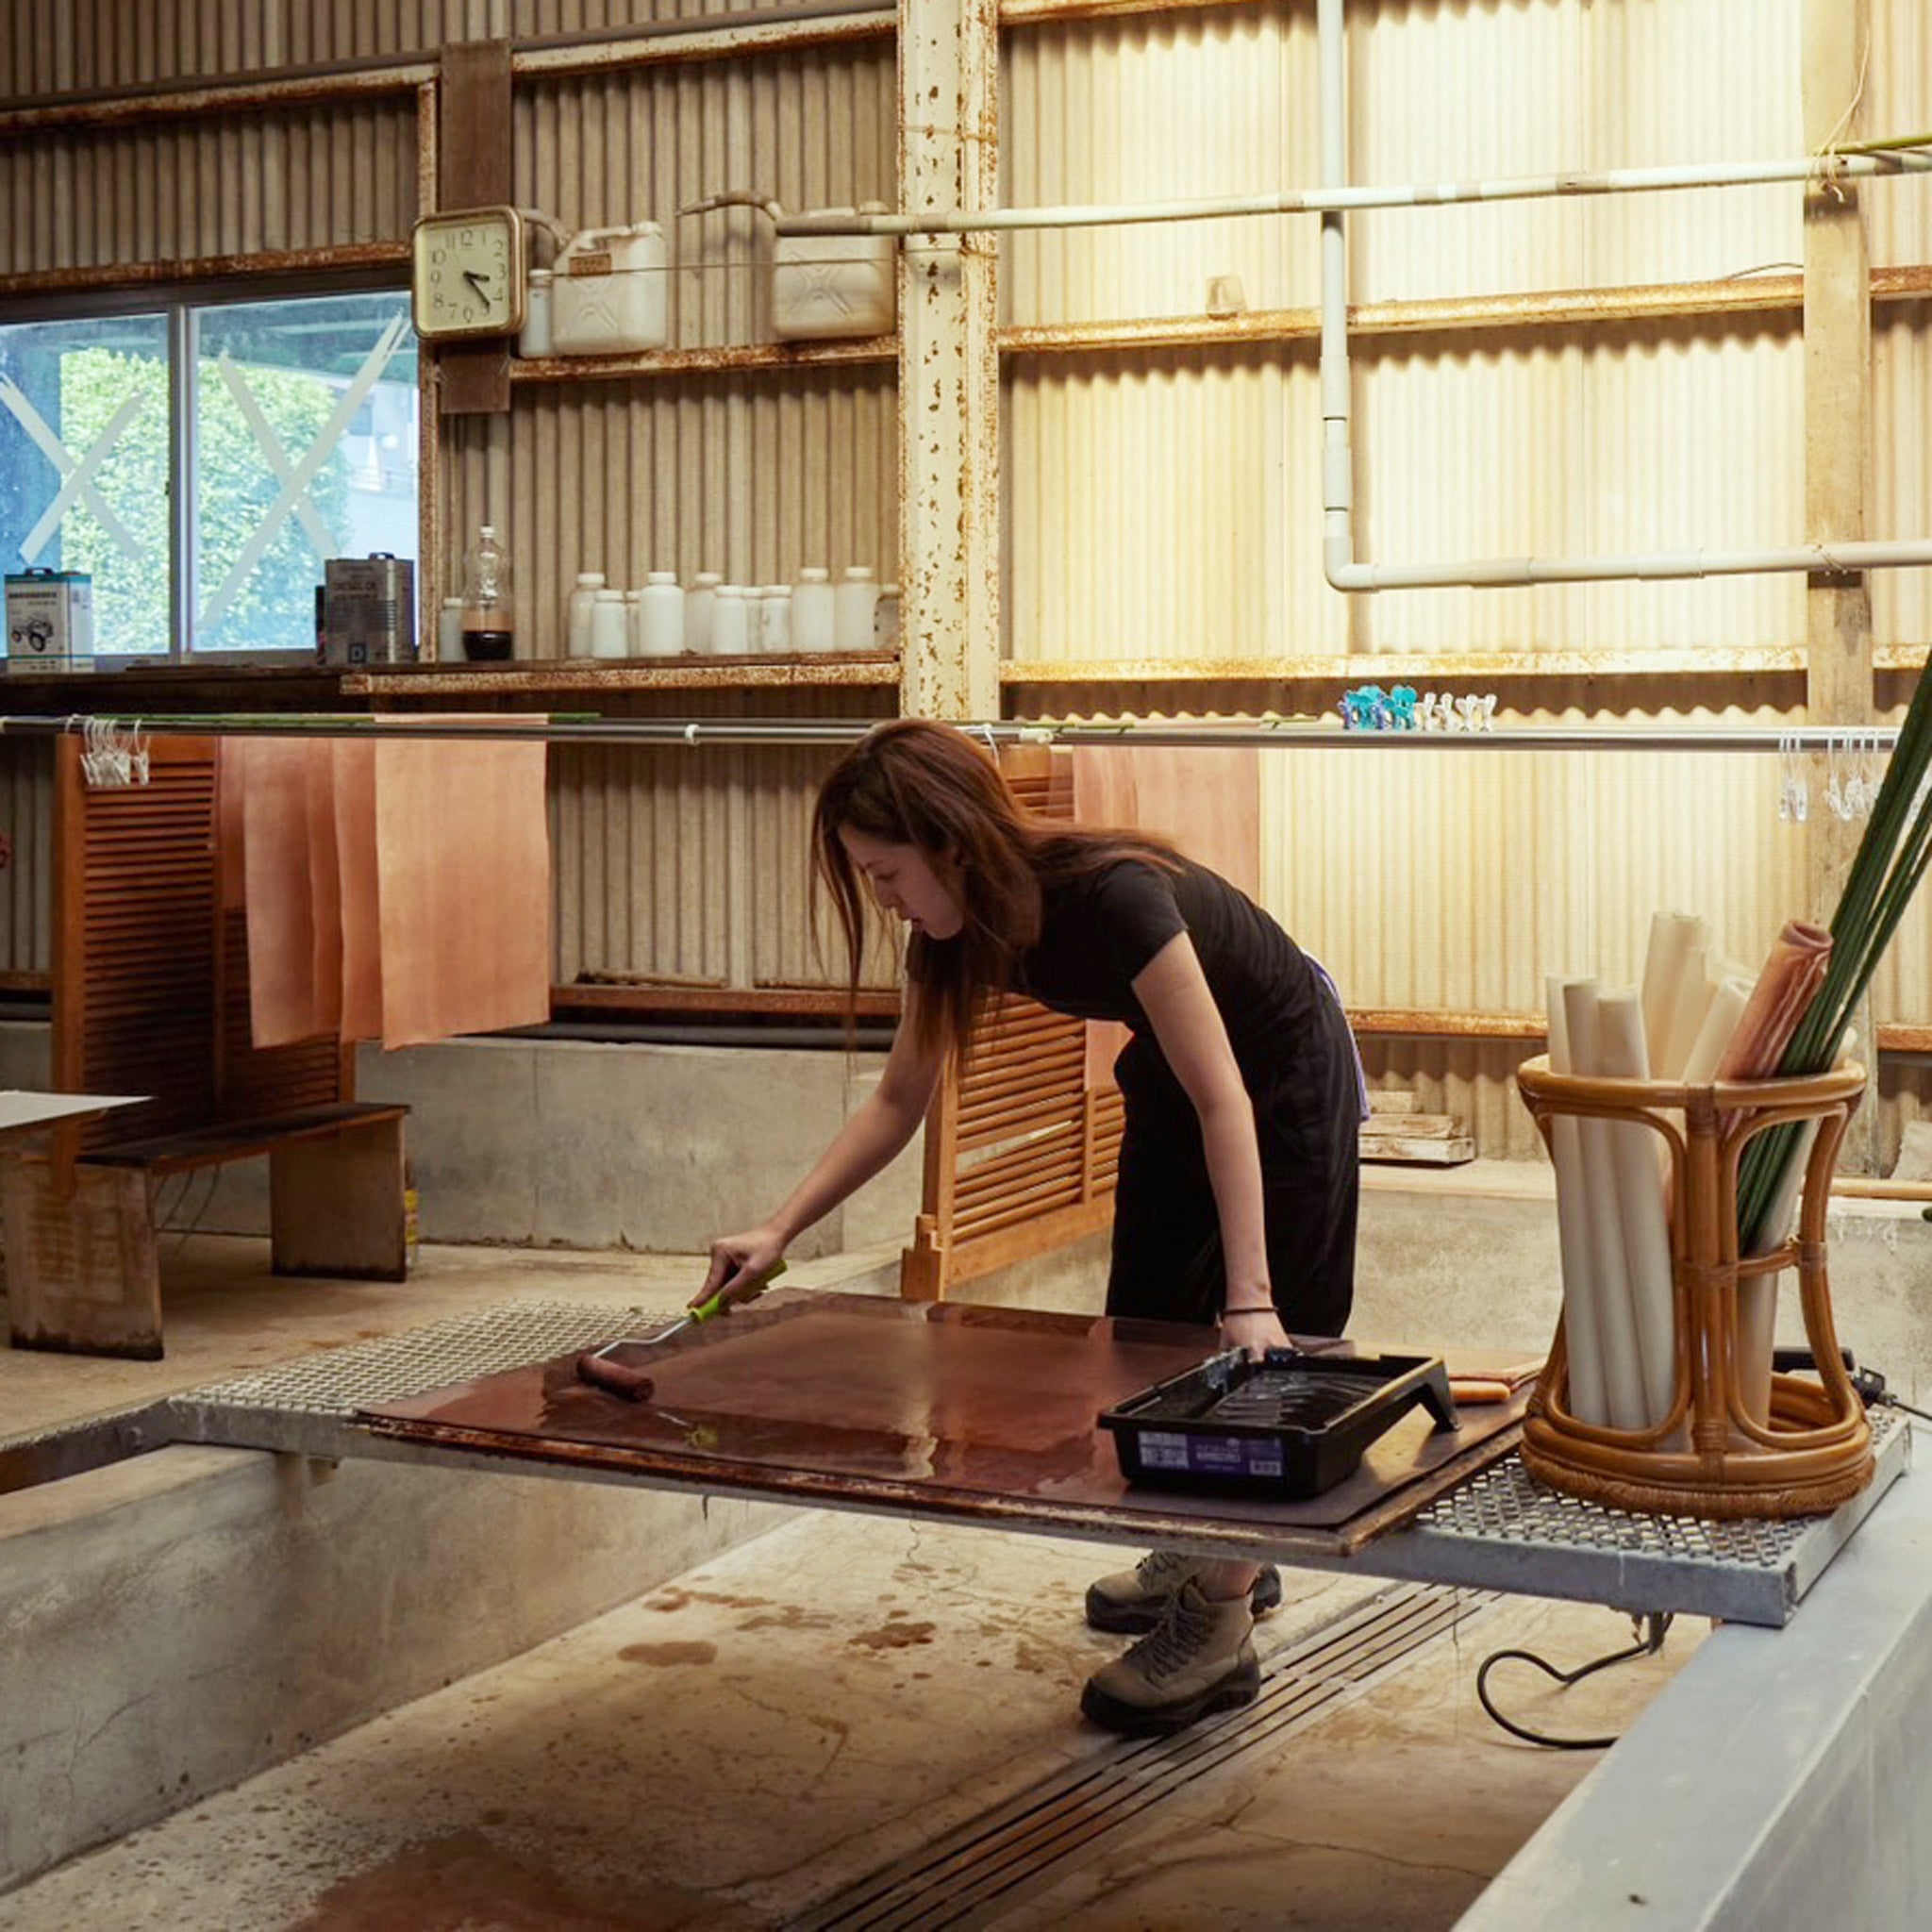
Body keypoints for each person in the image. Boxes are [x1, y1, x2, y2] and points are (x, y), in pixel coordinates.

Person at [702, 720, 1365, 1735]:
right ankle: (1210, 1542)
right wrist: (776, 1227)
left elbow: (1226, 1097)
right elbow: (895, 1103)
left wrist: (1250, 1296)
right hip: (1172, 1077)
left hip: (1275, 1076)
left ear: (950, 842)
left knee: (1273, 1357)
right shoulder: (946, 935)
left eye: (885, 872)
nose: (881, 897)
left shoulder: (1114, 897)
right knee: (1143, 1340)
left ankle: (1220, 1620)